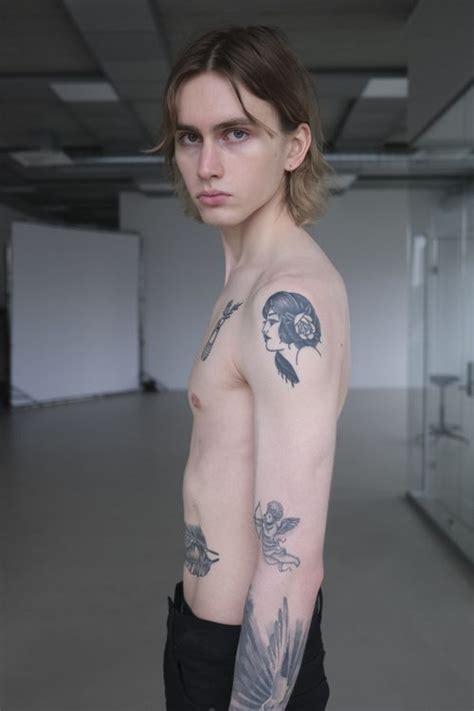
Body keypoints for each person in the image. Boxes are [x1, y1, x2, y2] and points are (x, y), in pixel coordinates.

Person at [149, 23, 351, 710]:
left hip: (249, 661)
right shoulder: (245, 278)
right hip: (202, 634)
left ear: (294, 146)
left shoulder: (285, 297)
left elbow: (292, 563)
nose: (206, 164)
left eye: (236, 133)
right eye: (190, 137)